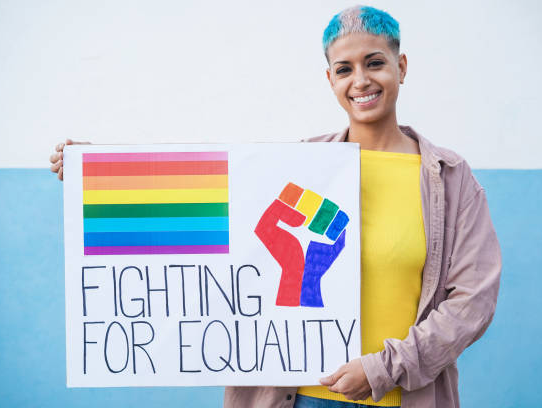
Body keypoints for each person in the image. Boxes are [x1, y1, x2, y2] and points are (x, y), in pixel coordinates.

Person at [50, 5, 501, 408]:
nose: (360, 80)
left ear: (401, 68)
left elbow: (471, 302)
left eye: (375, 63)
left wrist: (383, 368)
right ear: (330, 80)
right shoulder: (302, 168)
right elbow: (213, 198)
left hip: (398, 397)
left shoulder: (449, 179)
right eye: (344, 69)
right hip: (295, 398)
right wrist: (101, 171)